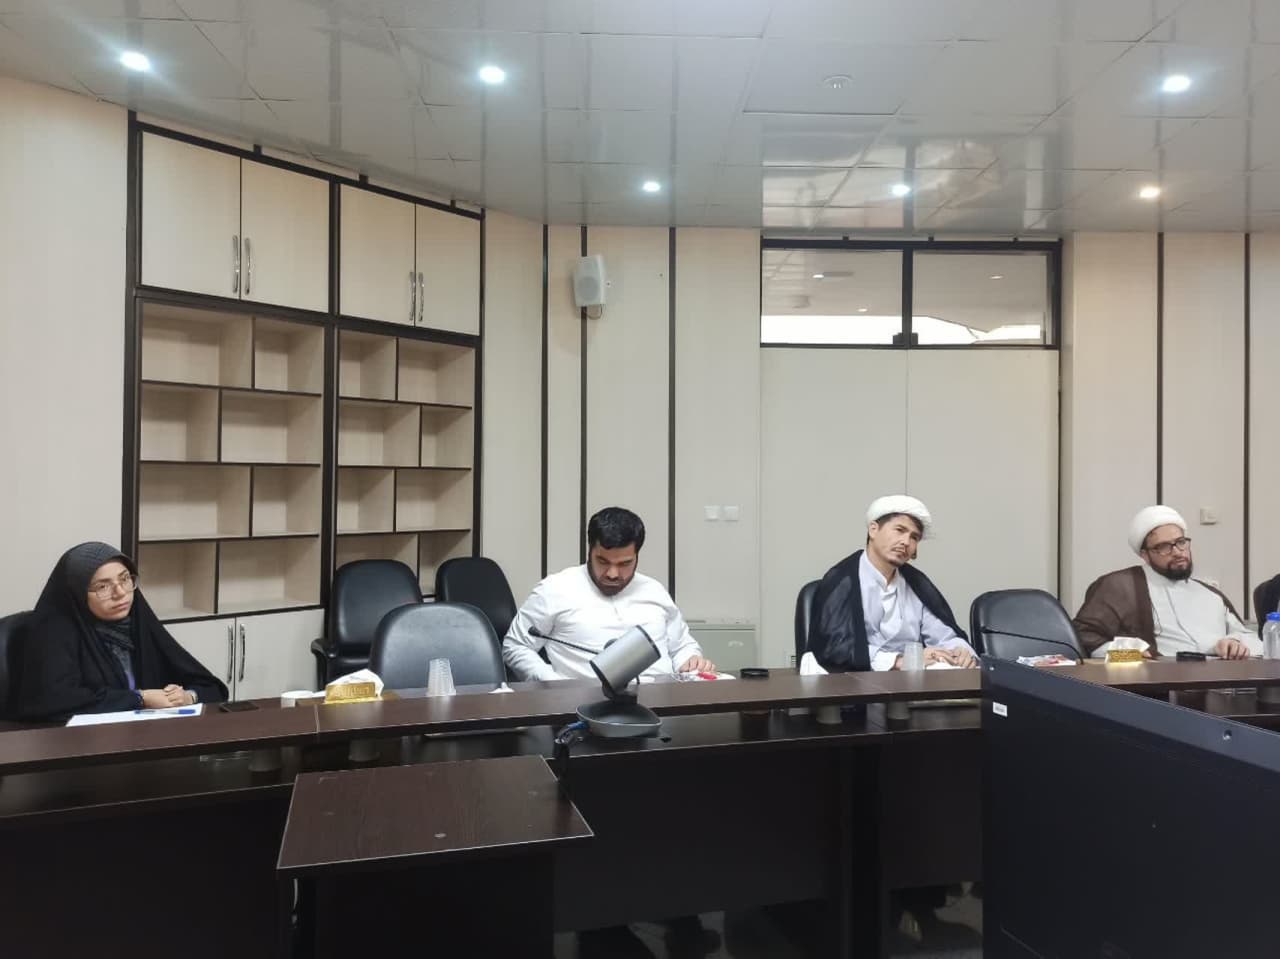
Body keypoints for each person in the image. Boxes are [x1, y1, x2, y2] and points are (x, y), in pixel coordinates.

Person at [17, 542, 228, 722]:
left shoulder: (138, 622)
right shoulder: (53, 633)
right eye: (103, 587)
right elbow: (53, 702)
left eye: (125, 579)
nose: (120, 593)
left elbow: (213, 688)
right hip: (80, 748)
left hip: (146, 740)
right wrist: (140, 698)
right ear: (78, 594)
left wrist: (187, 697)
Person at [504, 506, 715, 681]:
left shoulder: (654, 590)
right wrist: (553, 684)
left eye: (624, 564)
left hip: (662, 703)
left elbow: (682, 646)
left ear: (637, 556)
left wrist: (691, 660)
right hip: (583, 705)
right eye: (603, 561)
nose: (613, 574)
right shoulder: (554, 589)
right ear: (590, 551)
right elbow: (515, 646)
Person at [807, 494, 976, 672]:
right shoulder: (841, 580)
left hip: (914, 683)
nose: (906, 542)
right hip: (855, 682)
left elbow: (942, 634)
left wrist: (960, 651)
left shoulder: (917, 583)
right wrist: (899, 661)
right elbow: (834, 648)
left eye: (914, 537)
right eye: (899, 530)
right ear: (873, 530)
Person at [1073, 506, 1260, 659]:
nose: (1177, 552)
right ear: (1144, 555)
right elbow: (1084, 637)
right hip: (1159, 685)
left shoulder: (1211, 595)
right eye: (1163, 547)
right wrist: (1129, 654)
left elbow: (1254, 641)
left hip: (1222, 682)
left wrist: (1235, 643)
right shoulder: (1120, 586)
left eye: (1181, 542)